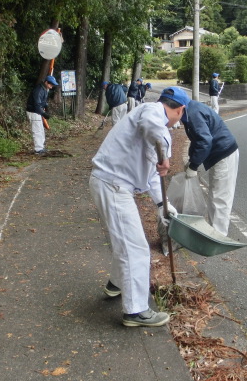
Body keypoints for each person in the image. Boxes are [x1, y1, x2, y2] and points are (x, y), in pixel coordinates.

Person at [89, 87, 189, 327]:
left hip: (112, 184)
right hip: (113, 185)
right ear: (180, 110)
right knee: (135, 248)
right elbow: (154, 127)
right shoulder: (151, 112)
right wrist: (165, 152)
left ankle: (117, 284)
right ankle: (136, 311)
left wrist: (162, 204)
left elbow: (154, 175)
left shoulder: (151, 128)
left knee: (125, 239)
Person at [178, 88, 239, 236]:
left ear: (179, 107)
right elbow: (196, 139)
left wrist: (193, 165)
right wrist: (192, 160)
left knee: (220, 197)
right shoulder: (190, 110)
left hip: (223, 153)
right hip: (220, 153)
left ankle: (218, 235)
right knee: (215, 195)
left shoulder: (193, 113)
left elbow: (205, 141)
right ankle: (214, 231)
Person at [26, 75, 58, 155]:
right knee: (37, 130)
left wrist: (46, 107)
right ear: (46, 82)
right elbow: (37, 104)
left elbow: (43, 101)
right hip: (33, 112)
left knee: (40, 130)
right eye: (50, 84)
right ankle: (38, 149)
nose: (51, 86)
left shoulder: (44, 89)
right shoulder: (39, 90)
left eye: (52, 85)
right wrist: (44, 113)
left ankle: (41, 147)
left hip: (38, 112)